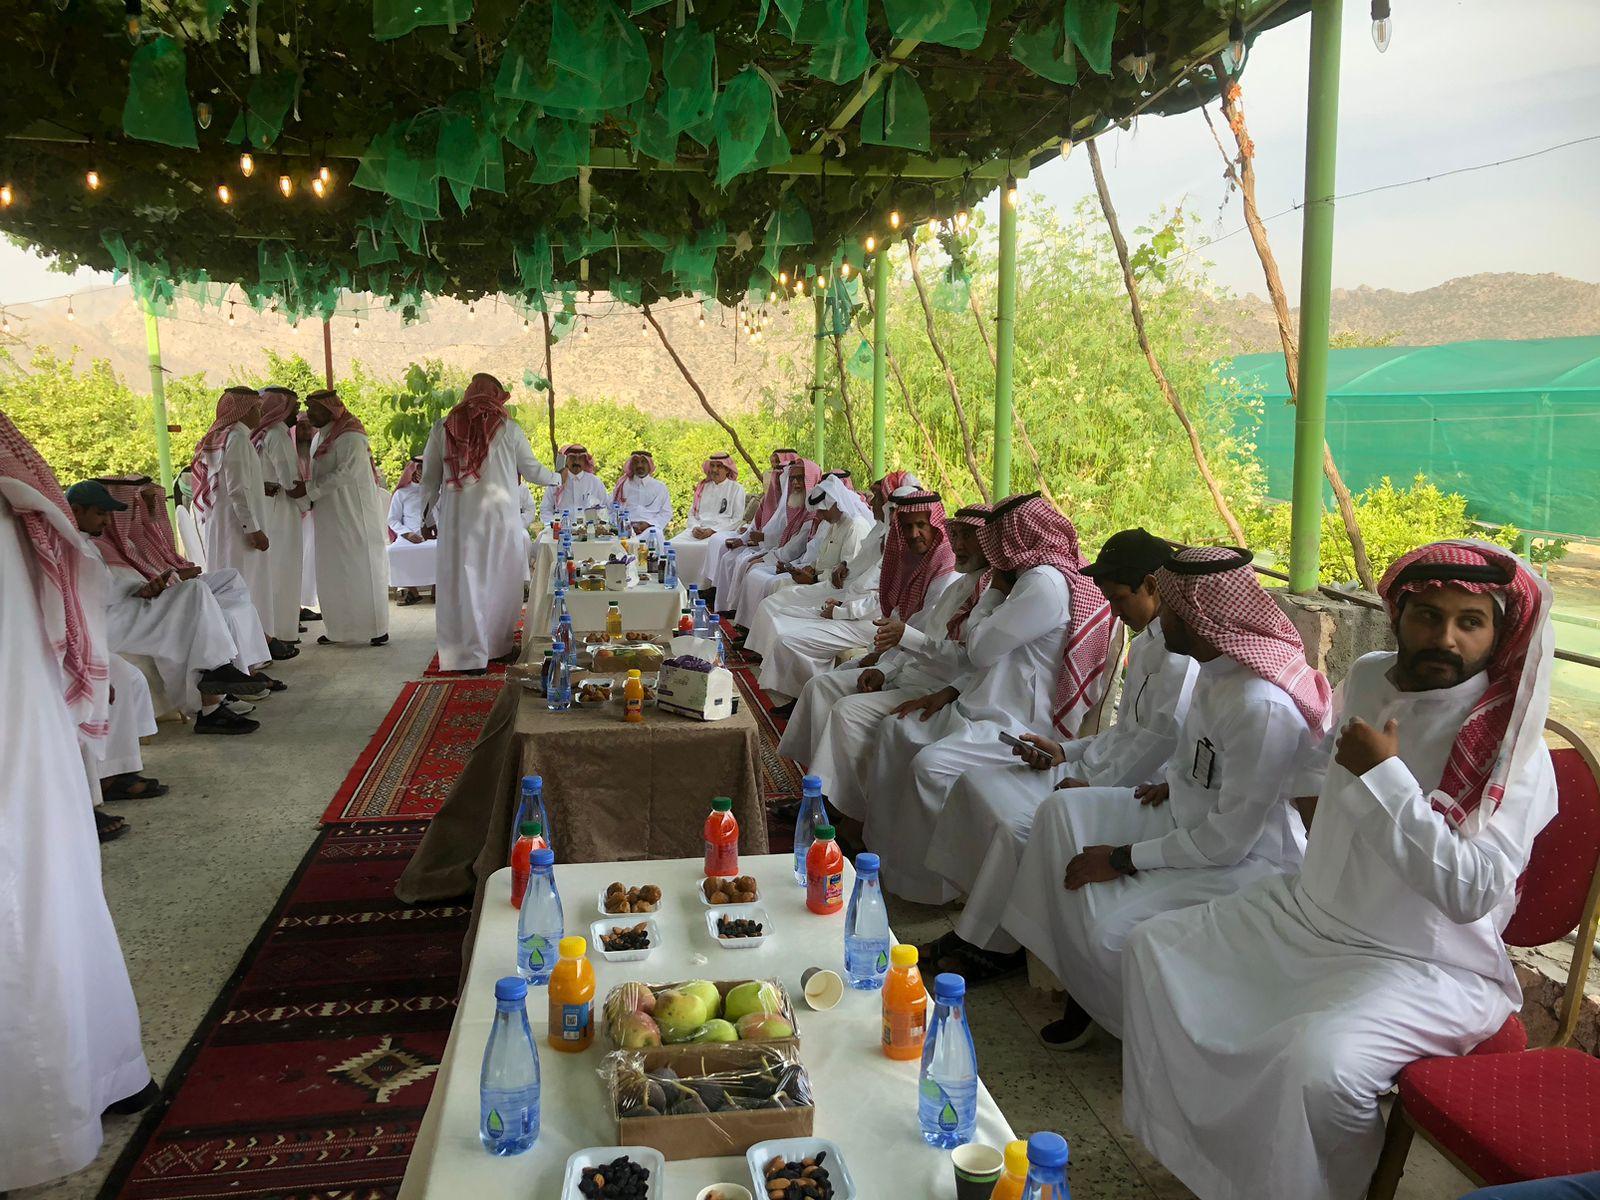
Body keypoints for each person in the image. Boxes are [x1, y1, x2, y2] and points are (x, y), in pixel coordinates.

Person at [1121, 541, 1555, 1200]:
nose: (1445, 637)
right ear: (1398, 616)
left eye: (1470, 622)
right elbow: (1316, 761)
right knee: (1155, 949)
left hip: (1424, 963)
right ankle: (1214, 1167)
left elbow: (1470, 892)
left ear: (1498, 635)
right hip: (1312, 911)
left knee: (1318, 1068)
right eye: (1428, 616)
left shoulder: (1511, 748)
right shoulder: (1374, 674)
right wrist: (1332, 808)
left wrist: (1383, 778)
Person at [1000, 545, 1330, 1051]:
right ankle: (1072, 975)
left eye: (1171, 610)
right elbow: (1202, 756)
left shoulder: (1259, 704)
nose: (1161, 619)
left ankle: (1123, 1023)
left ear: (1202, 617)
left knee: (1111, 933)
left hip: (1244, 860)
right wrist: (1177, 781)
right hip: (1183, 812)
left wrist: (1121, 858)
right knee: (1061, 811)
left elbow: (1227, 842)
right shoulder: (1216, 671)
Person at [916, 528, 1200, 979]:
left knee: (1018, 829)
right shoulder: (1149, 641)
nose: (1115, 612)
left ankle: (992, 946)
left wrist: (1091, 786)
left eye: (1120, 599)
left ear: (1151, 585)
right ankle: (979, 914)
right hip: (1096, 767)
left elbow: (1157, 744)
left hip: (1136, 791)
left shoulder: (1183, 658)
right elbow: (1126, 732)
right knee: (975, 784)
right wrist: (1065, 751)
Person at [1, 415, 155, 1193]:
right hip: (27, 745)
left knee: (34, 903)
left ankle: (62, 1104)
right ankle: (97, 1079)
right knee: (44, 898)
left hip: (21, 744)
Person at [860, 492, 1120, 906]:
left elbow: (979, 649)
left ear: (1016, 537)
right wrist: (950, 691)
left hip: (1015, 719)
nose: (991, 547)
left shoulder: (1043, 584)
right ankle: (886, 852)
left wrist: (994, 592)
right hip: (981, 699)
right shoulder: (1029, 578)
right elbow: (987, 657)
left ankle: (938, 884)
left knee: (930, 767)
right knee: (896, 729)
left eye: (996, 536)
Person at [779, 503, 989, 814]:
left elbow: (958, 656)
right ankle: (817, 789)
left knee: (847, 712)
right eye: (956, 535)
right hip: (906, 666)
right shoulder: (962, 582)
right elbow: (919, 632)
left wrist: (890, 654)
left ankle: (841, 810)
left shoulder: (982, 589)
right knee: (820, 687)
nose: (958, 544)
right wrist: (886, 668)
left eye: (968, 536)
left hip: (936, 686)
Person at [69, 482, 266, 732]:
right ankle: (214, 691)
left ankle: (215, 683)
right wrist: (138, 590)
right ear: (76, 510)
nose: (107, 521)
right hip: (103, 624)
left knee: (194, 593)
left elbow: (108, 585)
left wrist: (142, 588)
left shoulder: (86, 544)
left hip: (119, 610)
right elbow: (90, 595)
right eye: (100, 513)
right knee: (190, 614)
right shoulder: (70, 548)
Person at [750, 486, 956, 705]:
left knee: (793, 644)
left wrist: (842, 611)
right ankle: (794, 698)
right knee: (784, 617)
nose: (912, 533)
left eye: (921, 524)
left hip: (876, 627)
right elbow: (888, 600)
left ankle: (793, 699)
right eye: (905, 524)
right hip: (861, 613)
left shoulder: (943, 571)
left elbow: (901, 621)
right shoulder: (901, 551)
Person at [422, 374, 559, 673]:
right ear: (497, 397)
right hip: (500, 521)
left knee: (465, 583)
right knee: (500, 581)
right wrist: (557, 477)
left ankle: (467, 656)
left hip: (459, 523)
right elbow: (533, 471)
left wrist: (427, 515)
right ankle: (497, 647)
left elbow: (429, 479)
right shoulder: (508, 428)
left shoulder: (443, 428)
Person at [93, 475, 276, 693]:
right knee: (198, 596)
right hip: (122, 615)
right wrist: (149, 587)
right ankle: (222, 674)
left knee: (224, 584)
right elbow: (109, 590)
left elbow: (131, 580)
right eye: (101, 513)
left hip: (138, 601)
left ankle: (236, 666)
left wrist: (153, 584)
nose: (140, 508)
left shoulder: (122, 539)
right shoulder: (99, 547)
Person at [724, 473, 873, 627]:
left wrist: (814, 579)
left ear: (835, 503)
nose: (820, 516)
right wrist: (810, 569)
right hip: (819, 580)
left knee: (773, 603)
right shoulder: (834, 524)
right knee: (773, 597)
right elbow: (822, 557)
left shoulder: (855, 526)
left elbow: (846, 576)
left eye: (822, 511)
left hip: (834, 590)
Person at [304, 389, 390, 647]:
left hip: (355, 514)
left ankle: (376, 629)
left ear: (329, 410)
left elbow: (347, 473)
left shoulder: (351, 436)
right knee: (333, 571)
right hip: (329, 515)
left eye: (314, 409)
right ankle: (337, 630)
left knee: (361, 569)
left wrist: (310, 491)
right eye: (308, 408)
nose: (309, 414)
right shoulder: (319, 437)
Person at [192, 387, 274, 632]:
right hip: (238, 528)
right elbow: (238, 489)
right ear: (244, 410)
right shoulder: (236, 439)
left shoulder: (226, 437)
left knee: (234, 581)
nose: (260, 414)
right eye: (257, 408)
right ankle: (250, 640)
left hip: (226, 523)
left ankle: (247, 639)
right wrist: (253, 529)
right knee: (243, 583)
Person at [715, 454, 822, 621]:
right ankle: (741, 616)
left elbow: (796, 547)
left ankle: (750, 621)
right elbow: (783, 538)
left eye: (801, 478)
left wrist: (769, 556)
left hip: (797, 562)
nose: (795, 483)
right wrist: (748, 541)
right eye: (792, 478)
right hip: (783, 555)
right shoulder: (795, 505)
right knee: (745, 564)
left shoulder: (813, 512)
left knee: (756, 572)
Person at [251, 386, 308, 656]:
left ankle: (275, 630)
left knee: (274, 570)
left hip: (267, 506)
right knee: (284, 569)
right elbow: (289, 481)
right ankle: (282, 633)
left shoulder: (263, 433)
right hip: (280, 508)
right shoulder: (277, 435)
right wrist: (309, 502)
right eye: (294, 408)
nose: (297, 413)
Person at [704, 448, 802, 601]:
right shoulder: (773, 495)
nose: (775, 470)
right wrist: (743, 539)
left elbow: (791, 538)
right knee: (729, 555)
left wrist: (763, 539)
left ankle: (733, 604)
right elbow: (756, 522)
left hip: (776, 549)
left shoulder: (797, 501)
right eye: (773, 465)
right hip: (764, 544)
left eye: (779, 466)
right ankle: (720, 596)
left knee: (743, 562)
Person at [668, 453, 748, 588]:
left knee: (707, 548)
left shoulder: (736, 489)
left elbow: (736, 519)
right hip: (697, 530)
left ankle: (703, 588)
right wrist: (695, 527)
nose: (714, 470)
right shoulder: (703, 487)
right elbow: (692, 513)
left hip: (721, 531)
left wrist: (712, 531)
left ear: (727, 469)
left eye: (719, 466)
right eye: (712, 466)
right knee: (672, 545)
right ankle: (677, 585)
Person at [386, 455, 434, 605]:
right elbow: (392, 519)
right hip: (409, 535)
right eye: (418, 468)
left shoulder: (436, 491)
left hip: (434, 535)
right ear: (411, 471)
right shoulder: (402, 493)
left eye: (424, 469)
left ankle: (437, 590)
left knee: (443, 549)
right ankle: (413, 592)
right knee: (394, 552)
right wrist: (407, 534)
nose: (420, 472)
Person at [538, 442, 609, 521]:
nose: (576, 462)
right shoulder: (556, 482)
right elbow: (545, 509)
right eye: (572, 458)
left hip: (589, 527)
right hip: (562, 527)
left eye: (581, 458)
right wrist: (553, 524)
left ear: (585, 461)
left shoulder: (595, 482)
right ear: (566, 460)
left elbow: (605, 507)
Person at [611, 449, 673, 537]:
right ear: (631, 465)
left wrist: (648, 524)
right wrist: (624, 524)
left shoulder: (660, 487)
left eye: (643, 462)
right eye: (636, 462)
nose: (639, 465)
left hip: (650, 528)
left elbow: (666, 513)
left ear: (650, 465)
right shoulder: (622, 486)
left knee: (656, 534)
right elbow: (612, 509)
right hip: (625, 528)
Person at [295, 412, 320, 620]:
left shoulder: (316, 453)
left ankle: (302, 605)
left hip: (313, 513)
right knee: (297, 560)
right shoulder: (290, 452)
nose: (306, 432)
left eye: (309, 427)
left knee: (309, 561)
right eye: (301, 427)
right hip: (295, 514)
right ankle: (294, 608)